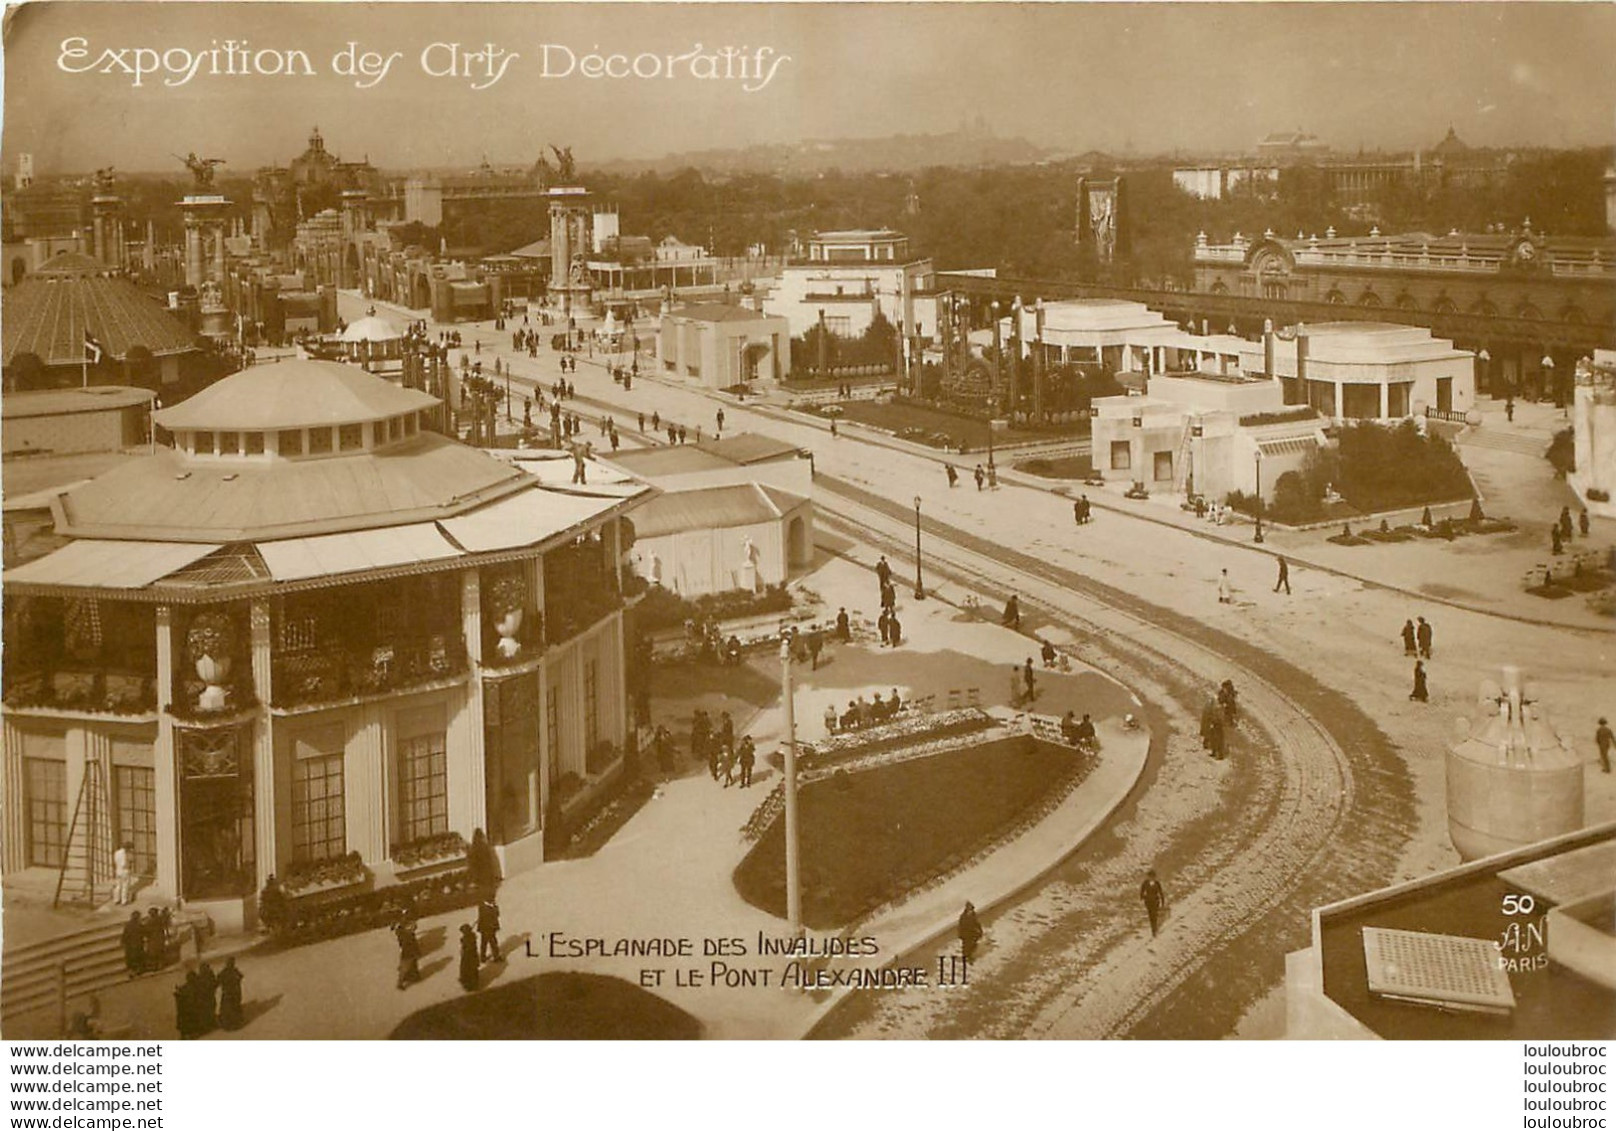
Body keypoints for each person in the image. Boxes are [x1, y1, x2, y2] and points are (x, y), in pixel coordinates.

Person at [467, 828, 501, 894]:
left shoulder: (472, 850)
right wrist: (497, 876)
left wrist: (473, 878)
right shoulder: (487, 847)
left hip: (479, 878)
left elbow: (471, 865)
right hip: (488, 875)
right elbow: (494, 862)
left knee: (481, 895)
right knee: (489, 894)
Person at [216, 957, 244, 1031]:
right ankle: (235, 1022)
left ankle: (228, 1024)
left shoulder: (224, 972)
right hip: (234, 993)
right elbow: (241, 977)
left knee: (226, 1009)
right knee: (234, 1007)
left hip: (227, 994)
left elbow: (218, 980)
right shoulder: (234, 971)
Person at [395, 918, 422, 989]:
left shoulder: (407, 934)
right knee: (405, 967)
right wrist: (416, 952)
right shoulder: (407, 936)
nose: (414, 928)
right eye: (412, 927)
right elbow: (410, 945)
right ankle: (400, 983)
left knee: (412, 965)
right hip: (408, 953)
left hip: (409, 953)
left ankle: (413, 977)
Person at [1140, 870, 1167, 937]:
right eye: (1150, 876)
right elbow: (1142, 892)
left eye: (1152, 876)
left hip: (1155, 901)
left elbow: (1161, 892)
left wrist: (1162, 901)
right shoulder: (1145, 883)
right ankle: (1153, 928)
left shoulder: (1157, 883)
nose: (1151, 878)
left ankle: (1154, 930)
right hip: (1148, 901)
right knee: (1150, 915)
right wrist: (1142, 898)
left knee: (1154, 914)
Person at [195, 961, 219, 1033]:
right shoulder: (206, 975)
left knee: (209, 1008)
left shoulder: (200, 976)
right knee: (210, 1008)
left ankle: (209, 1023)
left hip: (207, 996)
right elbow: (215, 983)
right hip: (207, 996)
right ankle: (210, 1022)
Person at [121, 911, 145, 977]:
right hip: (137, 945)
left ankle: (132, 971)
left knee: (131, 959)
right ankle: (138, 970)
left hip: (130, 946)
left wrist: (123, 942)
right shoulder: (139, 925)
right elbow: (144, 932)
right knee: (138, 958)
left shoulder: (128, 925)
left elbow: (124, 935)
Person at [478, 897, 502, 962]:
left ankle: (483, 957)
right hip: (487, 928)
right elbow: (490, 916)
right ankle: (495, 957)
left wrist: (494, 907)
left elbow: (497, 914)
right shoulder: (483, 907)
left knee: (485, 942)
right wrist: (493, 908)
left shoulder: (490, 906)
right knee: (491, 942)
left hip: (489, 928)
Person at [459, 924, 481, 992]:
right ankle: (473, 984)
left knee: (467, 970)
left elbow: (467, 947)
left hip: (468, 956)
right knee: (472, 970)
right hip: (472, 956)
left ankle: (469, 985)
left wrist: (463, 942)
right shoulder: (472, 936)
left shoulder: (467, 938)